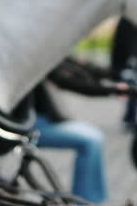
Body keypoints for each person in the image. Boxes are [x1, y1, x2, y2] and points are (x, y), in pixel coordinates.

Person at [32, 70, 108, 203]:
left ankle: (91, 200)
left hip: (44, 119)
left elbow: (74, 69)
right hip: (31, 123)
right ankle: (84, 201)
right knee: (90, 141)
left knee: (95, 136)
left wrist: (109, 82)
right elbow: (66, 79)